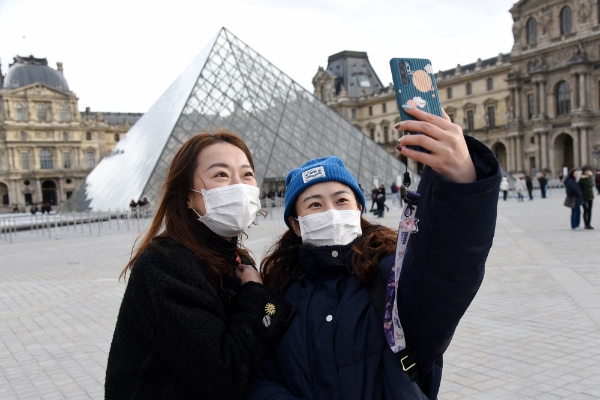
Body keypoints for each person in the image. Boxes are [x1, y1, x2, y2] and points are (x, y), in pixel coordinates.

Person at [247, 105, 500, 400]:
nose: (330, 211)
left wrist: (460, 183)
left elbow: (447, 266)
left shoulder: (391, 277)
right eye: (314, 204)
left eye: (341, 200)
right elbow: (258, 376)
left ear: (358, 209)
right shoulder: (276, 292)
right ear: (296, 224)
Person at [105, 130, 294, 399]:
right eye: (221, 175)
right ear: (187, 195)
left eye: (247, 174)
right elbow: (224, 376)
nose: (238, 185)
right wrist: (257, 295)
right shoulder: (166, 264)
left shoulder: (233, 257)